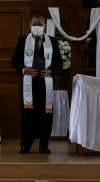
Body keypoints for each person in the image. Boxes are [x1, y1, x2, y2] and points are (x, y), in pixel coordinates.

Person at [11, 15, 63, 155]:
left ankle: (44, 145)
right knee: (27, 115)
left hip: (45, 84)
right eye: (35, 24)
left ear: (45, 26)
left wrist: (51, 70)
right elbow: (15, 60)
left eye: (40, 24)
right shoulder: (23, 40)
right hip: (28, 84)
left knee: (45, 115)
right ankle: (25, 145)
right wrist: (24, 69)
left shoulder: (52, 41)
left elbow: (59, 62)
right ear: (30, 25)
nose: (37, 27)